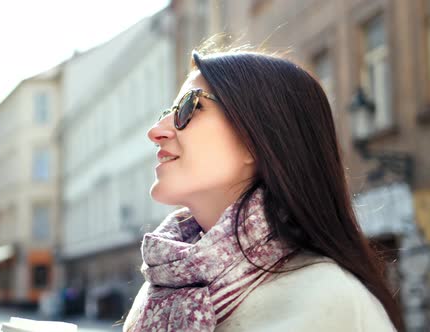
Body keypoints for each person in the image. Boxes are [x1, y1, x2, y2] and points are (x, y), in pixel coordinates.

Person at [122, 48, 401, 332]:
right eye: (167, 112)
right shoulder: (159, 293)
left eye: (188, 107)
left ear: (256, 136)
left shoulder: (329, 300)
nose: (156, 131)